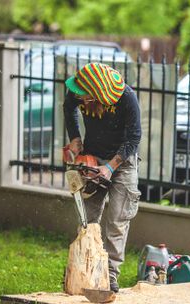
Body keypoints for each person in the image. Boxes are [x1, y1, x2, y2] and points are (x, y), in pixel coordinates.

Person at [63, 62, 141, 293]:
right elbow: (68, 108)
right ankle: (84, 268)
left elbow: (134, 137)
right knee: (88, 218)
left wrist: (110, 166)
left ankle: (110, 274)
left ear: (97, 93)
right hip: (93, 157)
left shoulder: (127, 98)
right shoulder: (79, 89)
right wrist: (75, 138)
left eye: (83, 94)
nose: (77, 94)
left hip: (123, 162)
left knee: (117, 220)